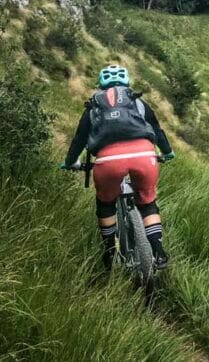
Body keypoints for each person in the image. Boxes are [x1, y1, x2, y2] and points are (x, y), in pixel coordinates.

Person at [61, 64, 174, 271]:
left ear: (101, 84)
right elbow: (157, 130)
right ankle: (158, 251)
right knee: (148, 201)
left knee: (105, 203)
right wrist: (167, 152)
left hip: (108, 162)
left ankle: (109, 253)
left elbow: (79, 140)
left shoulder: (93, 106)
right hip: (144, 156)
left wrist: (70, 162)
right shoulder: (139, 102)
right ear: (126, 82)